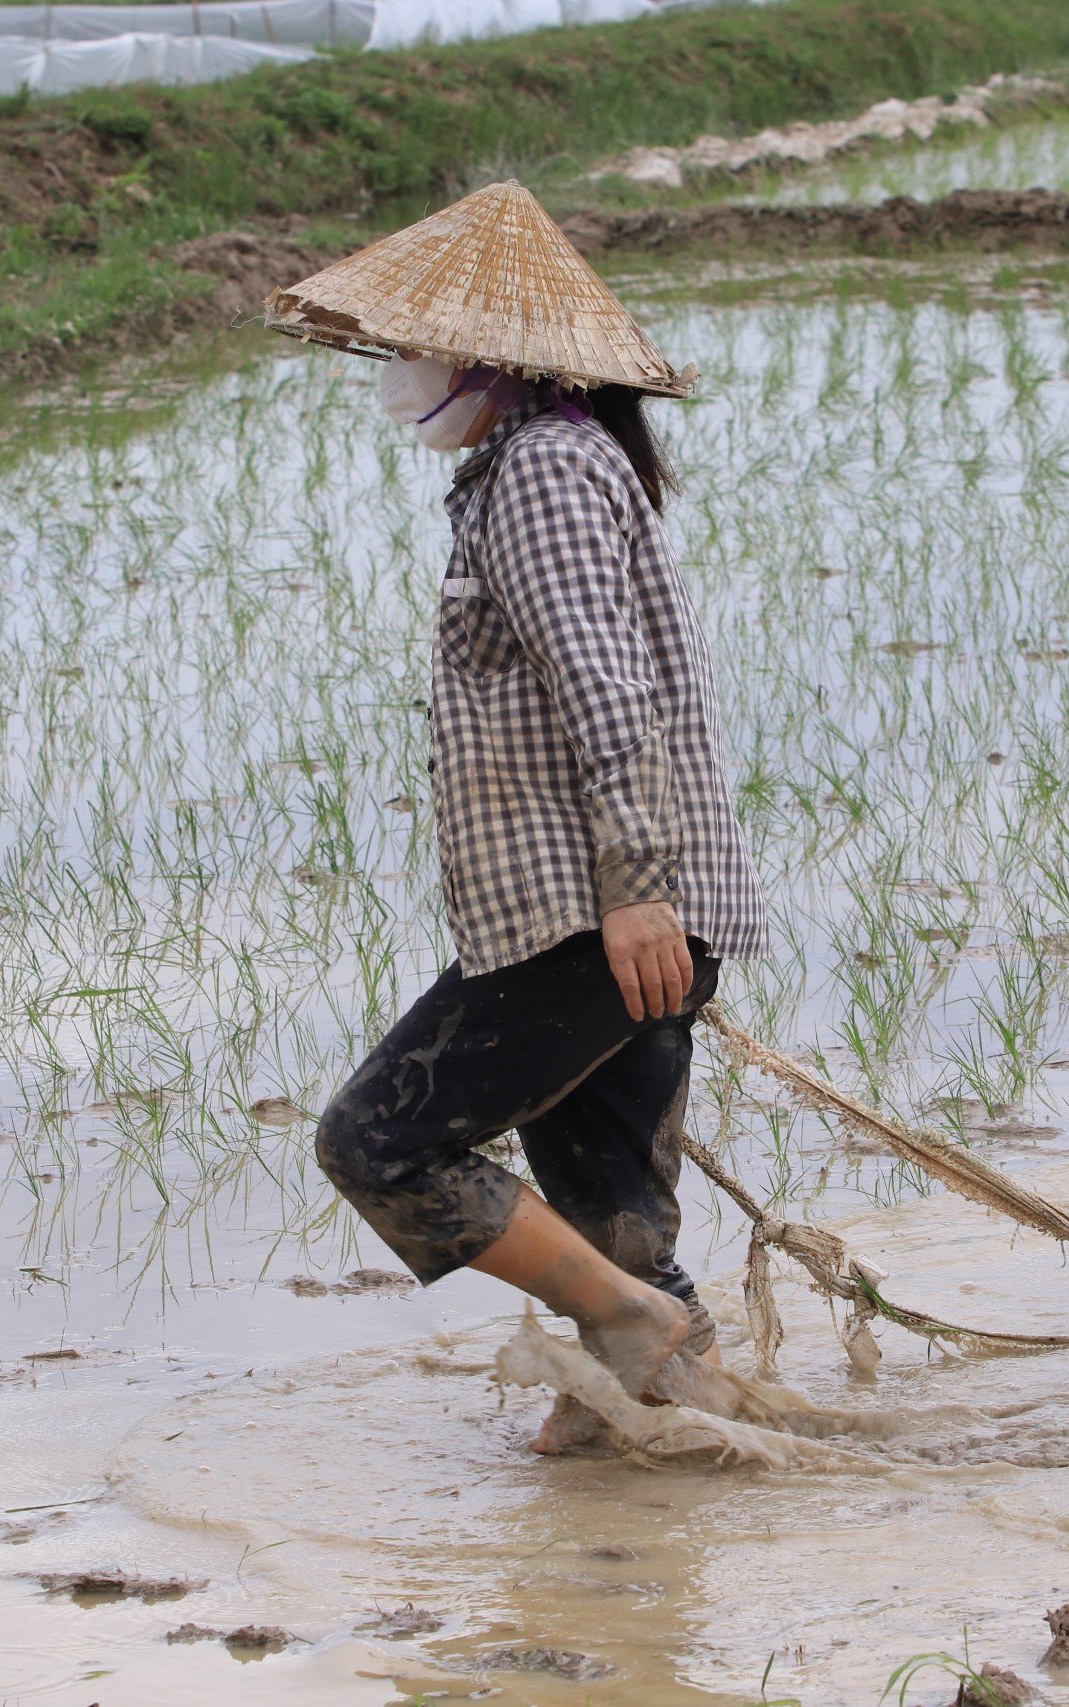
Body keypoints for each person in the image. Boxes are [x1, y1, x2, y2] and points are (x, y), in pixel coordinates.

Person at [263, 182, 769, 1452]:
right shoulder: (561, 461)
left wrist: (636, 886)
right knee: (615, 1221)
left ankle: (629, 1326)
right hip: (617, 912)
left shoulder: (541, 470)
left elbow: (607, 685)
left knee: (376, 1142)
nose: (404, 371)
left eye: (419, 347)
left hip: (592, 916)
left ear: (492, 356)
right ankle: (651, 1458)